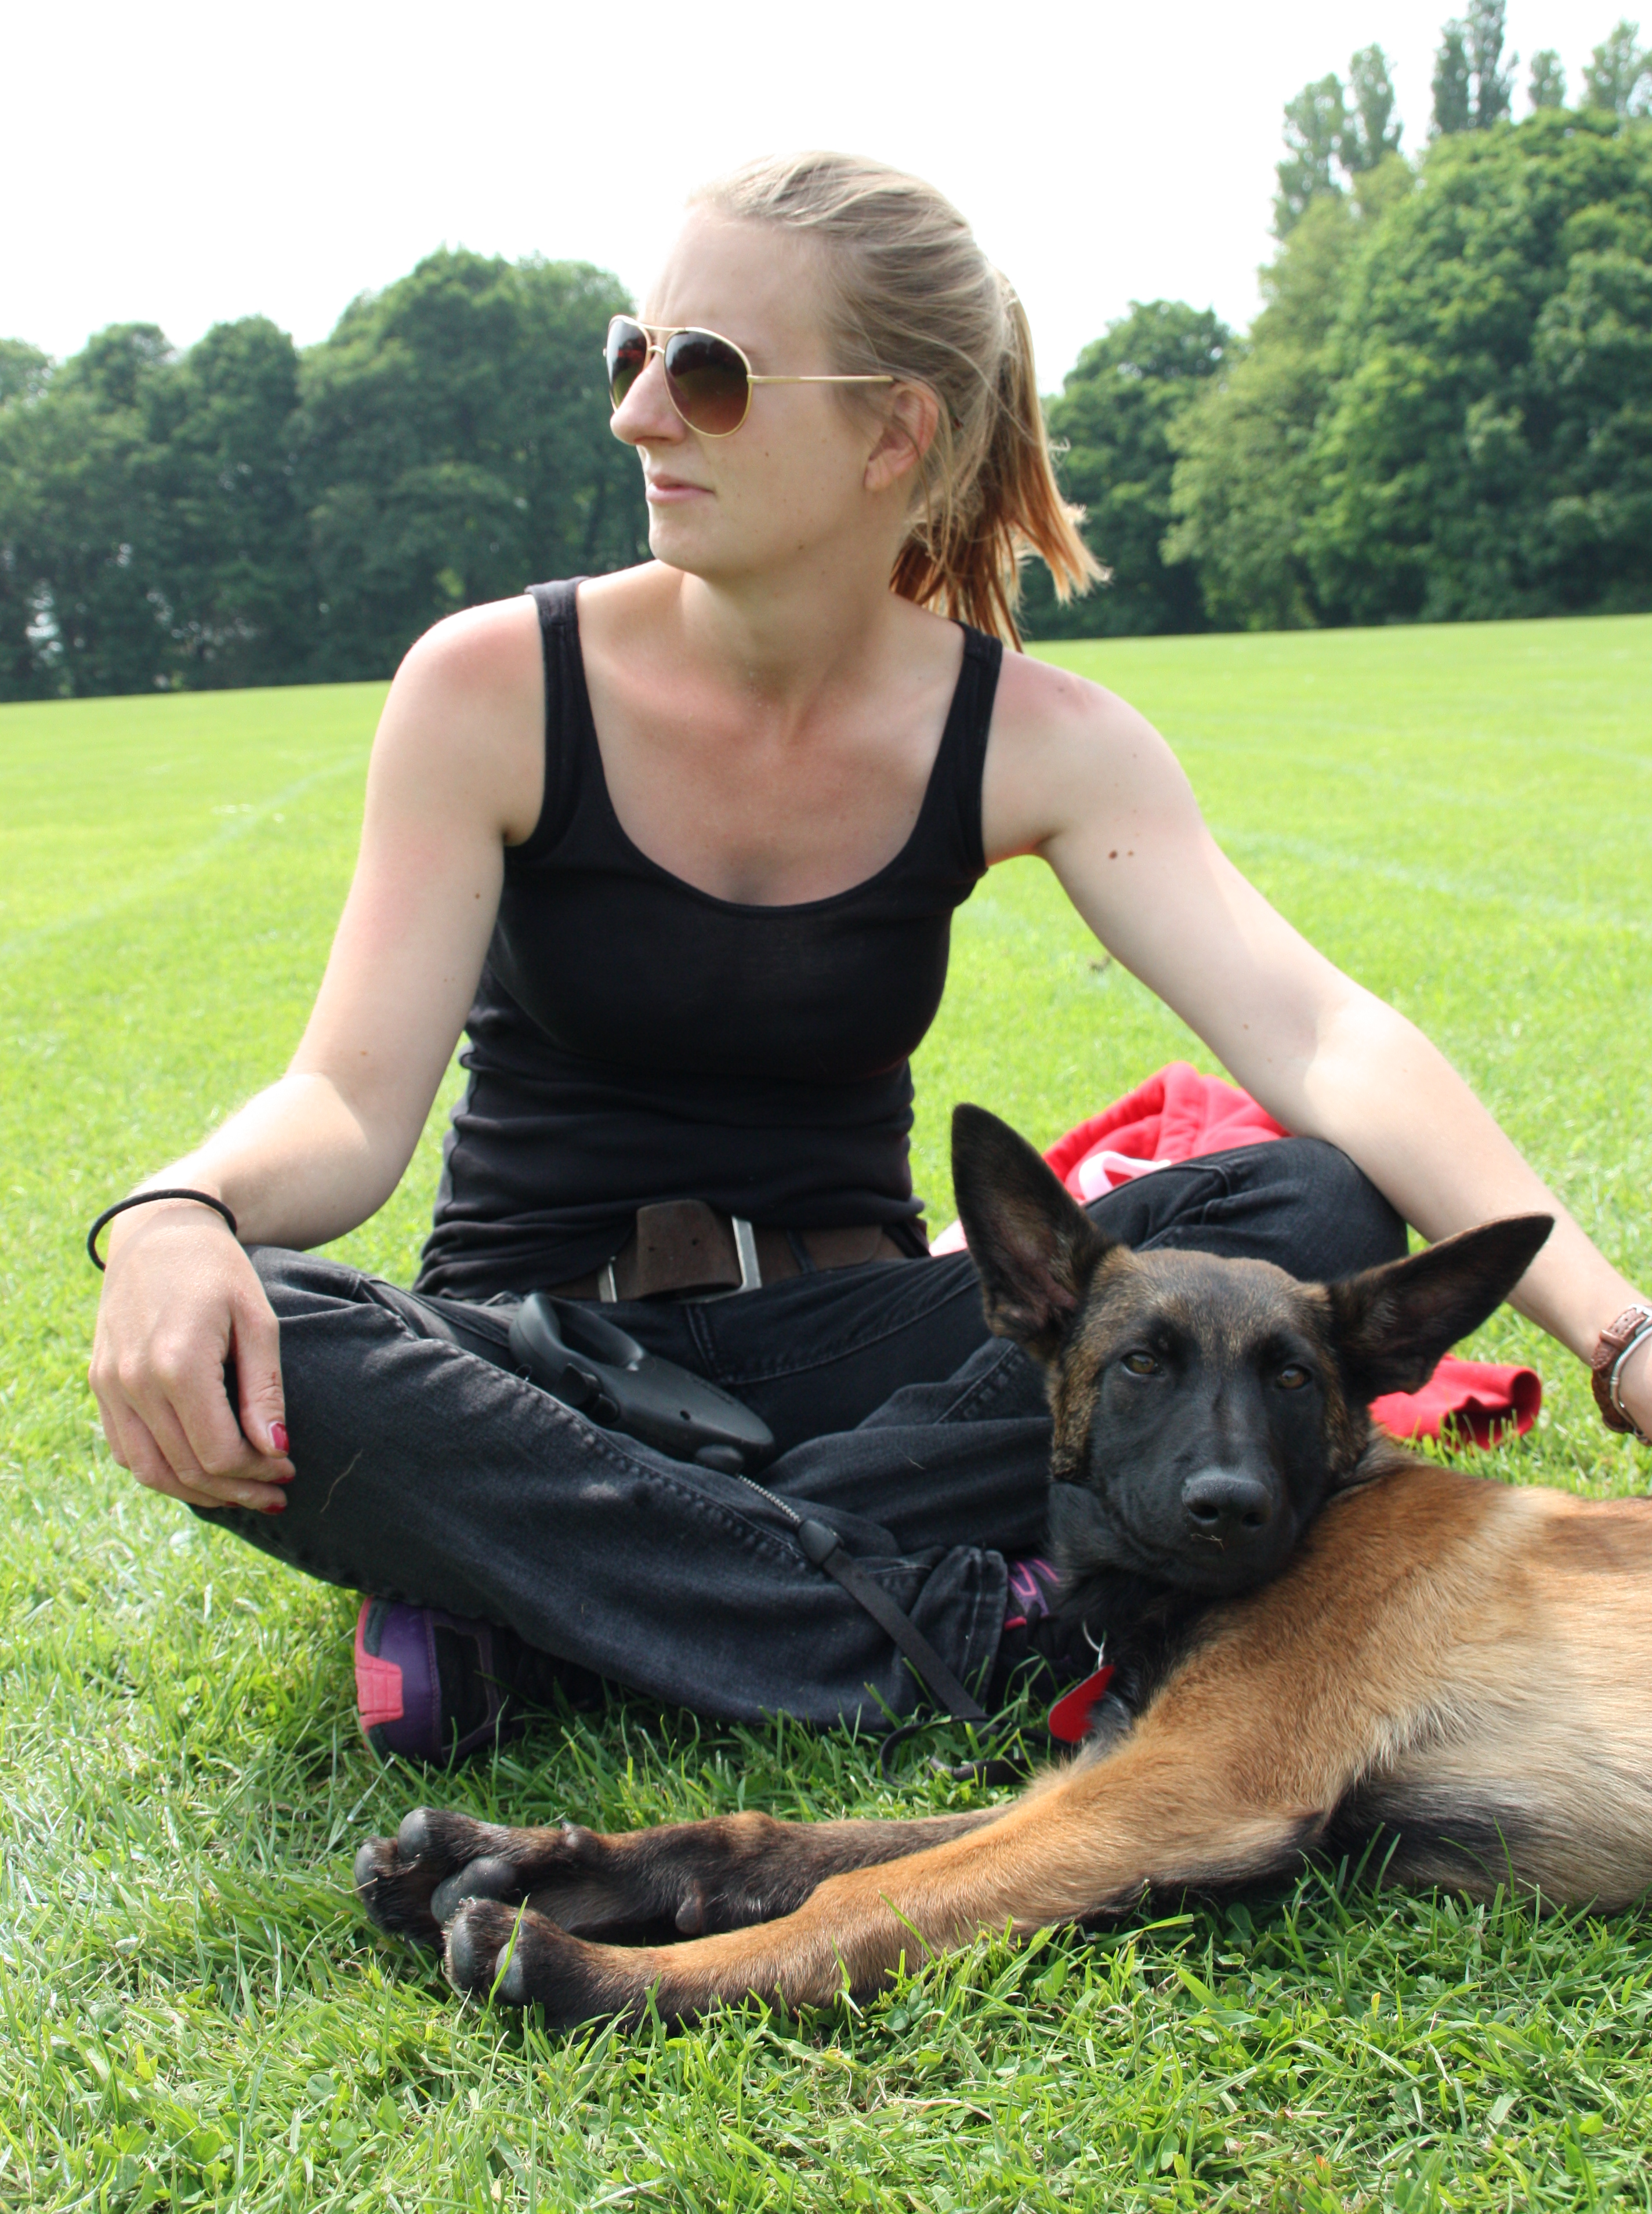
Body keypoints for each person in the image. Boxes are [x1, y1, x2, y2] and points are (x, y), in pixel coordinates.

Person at [87, 153, 1652, 1762]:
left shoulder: (1032, 738)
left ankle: (566, 1596)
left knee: (1315, 1207)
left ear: (892, 433)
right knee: (280, 1332)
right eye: (633, 355)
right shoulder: (491, 685)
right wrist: (178, 1211)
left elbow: (1322, 1037)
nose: (640, 416)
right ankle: (945, 1619)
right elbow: (348, 1107)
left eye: (709, 373)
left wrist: (1625, 1341)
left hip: (873, 1376)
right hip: (538, 1357)